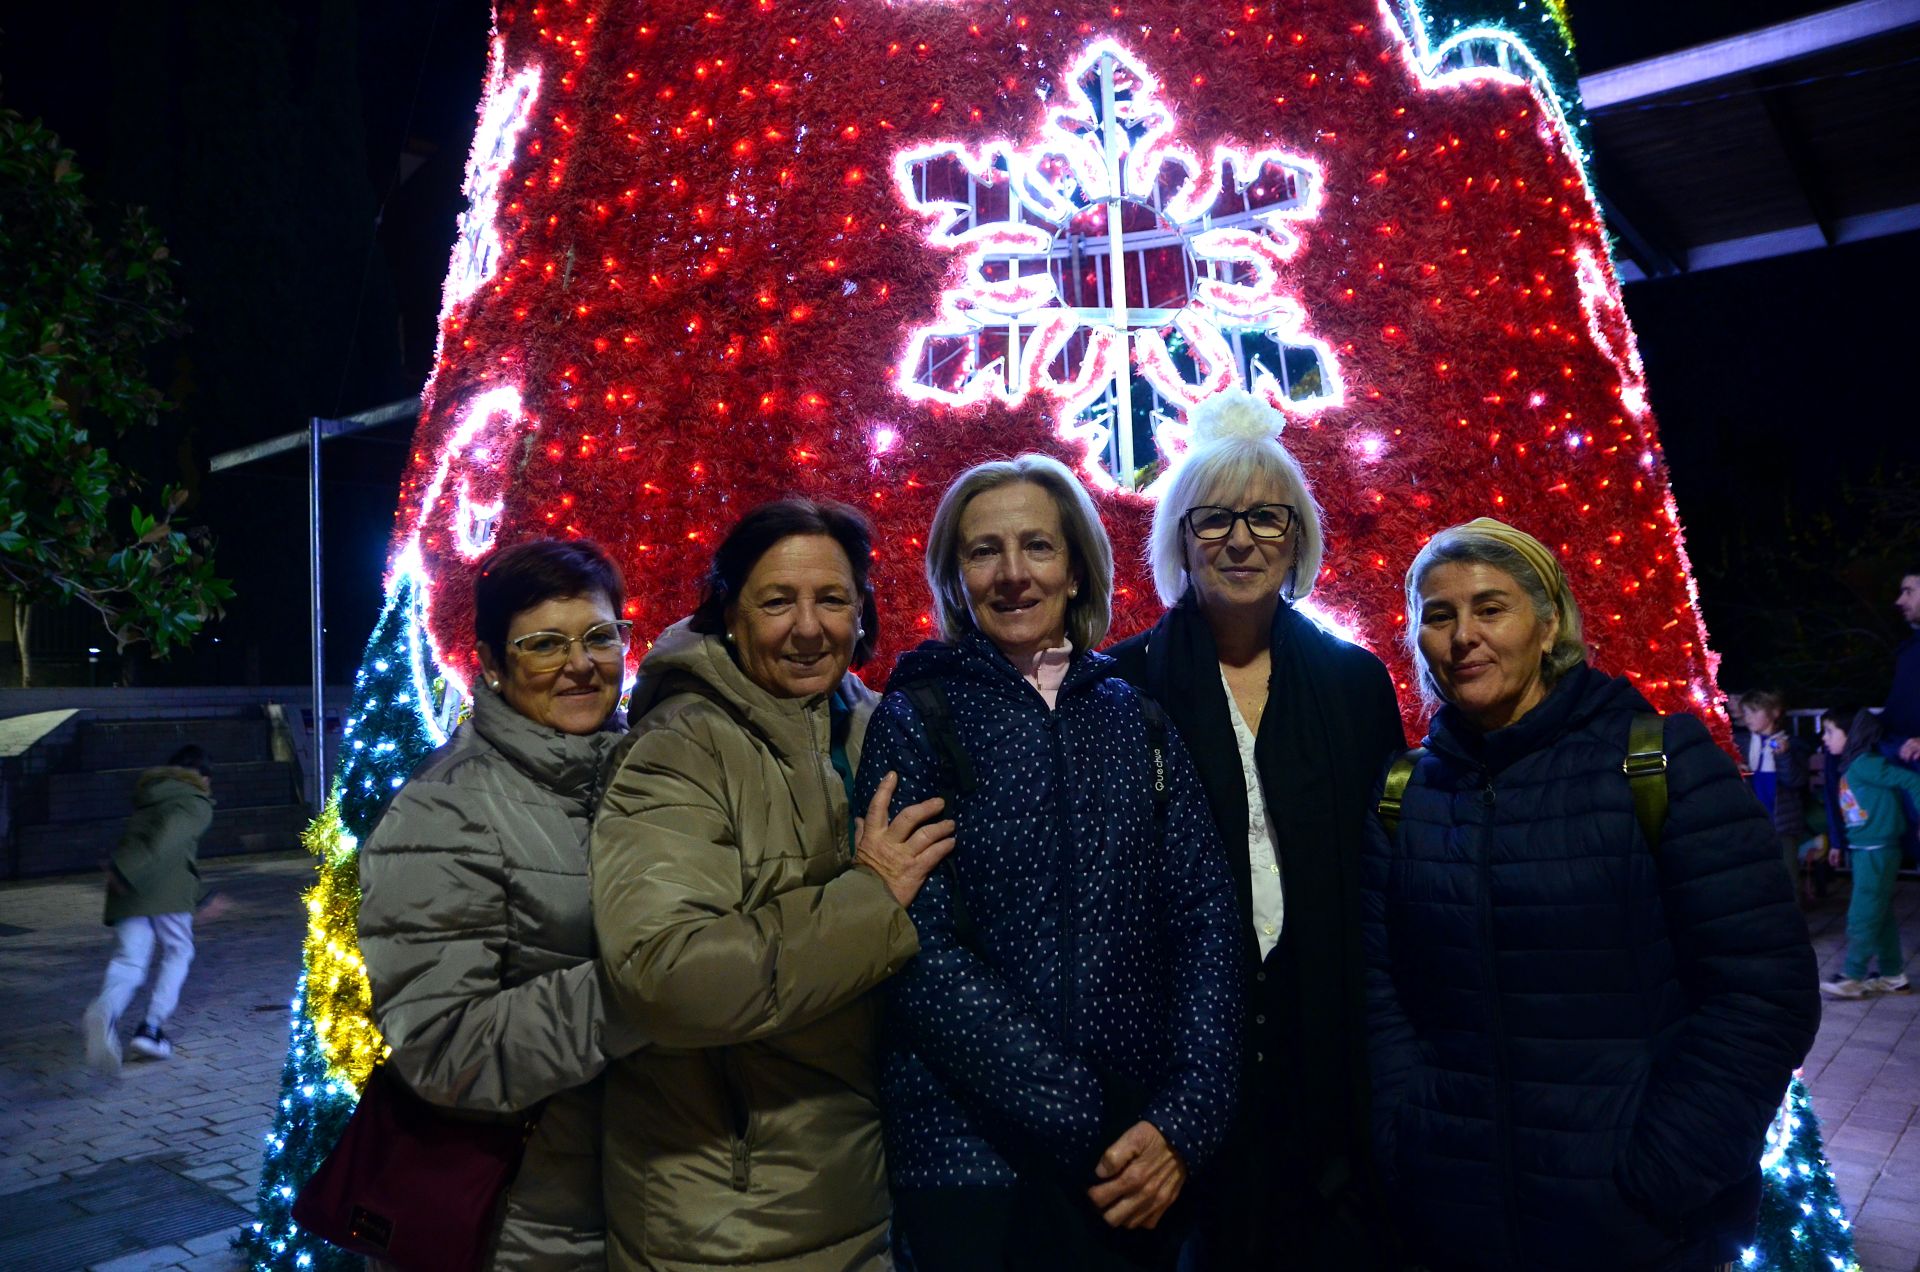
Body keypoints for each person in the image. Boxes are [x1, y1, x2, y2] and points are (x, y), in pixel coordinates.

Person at [1363, 517, 1820, 1272]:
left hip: (1632, 1232)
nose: (1462, 635)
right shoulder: (1405, 792)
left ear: (1549, 626)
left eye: (1490, 607)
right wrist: (1408, 1139)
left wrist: (1664, 1171)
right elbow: (1382, 990)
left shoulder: (1659, 762)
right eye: (1438, 616)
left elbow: (1763, 991)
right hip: (1457, 1223)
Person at [856, 453, 1243, 1272]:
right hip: (969, 1156)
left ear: (1075, 569)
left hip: (1132, 1162)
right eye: (982, 550)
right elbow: (912, 944)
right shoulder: (916, 715)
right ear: (954, 577)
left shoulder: (1136, 719)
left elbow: (1206, 919)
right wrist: (1079, 1107)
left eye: (1037, 546)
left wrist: (1185, 1119)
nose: (1011, 574)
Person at [592, 497, 955, 1271]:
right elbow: (665, 973)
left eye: (832, 599)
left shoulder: (877, 724)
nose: (808, 627)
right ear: (729, 613)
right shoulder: (679, 749)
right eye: (776, 601)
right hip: (728, 1219)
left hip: (874, 1187)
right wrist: (869, 898)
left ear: (863, 613)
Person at [1103, 391, 1405, 1269]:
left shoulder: (1354, 684)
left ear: (1297, 536)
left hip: (1328, 1059)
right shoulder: (1123, 688)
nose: (1241, 540)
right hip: (1177, 1064)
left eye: (1267, 518)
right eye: (1216, 519)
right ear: (1180, 539)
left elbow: (1383, 877)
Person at [357, 537, 642, 1270]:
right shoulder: (445, 813)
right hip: (523, 1227)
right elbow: (444, 1047)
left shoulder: (648, 776)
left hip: (640, 1202)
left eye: (599, 636)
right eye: (544, 644)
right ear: (488, 662)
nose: (580, 664)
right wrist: (653, 986)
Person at [81, 744, 219, 1074]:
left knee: (130, 960)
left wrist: (121, 872)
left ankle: (104, 1010)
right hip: (162, 893)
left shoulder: (151, 797)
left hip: (129, 892)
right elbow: (164, 842)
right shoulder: (196, 802)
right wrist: (123, 869)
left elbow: (167, 849)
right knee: (178, 951)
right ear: (203, 776)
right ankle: (151, 1029)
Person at [1817, 707, 1920, 998]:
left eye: (1830, 732)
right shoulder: (1852, 766)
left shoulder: (1865, 764)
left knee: (1862, 913)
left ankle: (1852, 975)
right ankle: (1892, 975)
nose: (1824, 739)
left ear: (1852, 736)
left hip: (1877, 851)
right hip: (1867, 849)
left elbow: (1912, 780)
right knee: (1880, 911)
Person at [1732, 689, 1811, 884]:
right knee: (1756, 875)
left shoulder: (1791, 743)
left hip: (1782, 822)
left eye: (1754, 711)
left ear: (1774, 712)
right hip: (1753, 821)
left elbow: (1795, 780)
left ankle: (1793, 912)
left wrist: (1783, 755)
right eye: (1746, 712)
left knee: (1787, 875)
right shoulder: (1741, 743)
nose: (1748, 717)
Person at [1885, 569, 1920, 766]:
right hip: (1896, 743)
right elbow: (1895, 713)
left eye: (1909, 592)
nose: (1899, 601)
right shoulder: (1909, 651)